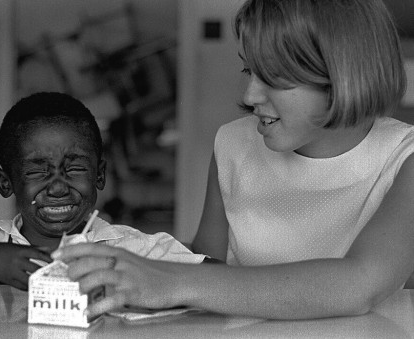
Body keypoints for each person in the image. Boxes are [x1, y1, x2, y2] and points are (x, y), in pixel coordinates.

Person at [52, 0, 414, 320]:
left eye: (273, 78)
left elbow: (360, 283)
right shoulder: (232, 143)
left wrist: (172, 279)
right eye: (248, 71)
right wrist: (130, 265)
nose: (250, 94)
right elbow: (208, 267)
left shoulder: (404, 157)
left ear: (343, 77)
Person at [0, 92, 204, 290]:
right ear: (6, 183)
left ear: (99, 175)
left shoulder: (132, 249)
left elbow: (215, 277)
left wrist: (148, 277)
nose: (57, 187)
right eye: (37, 171)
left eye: (75, 168)